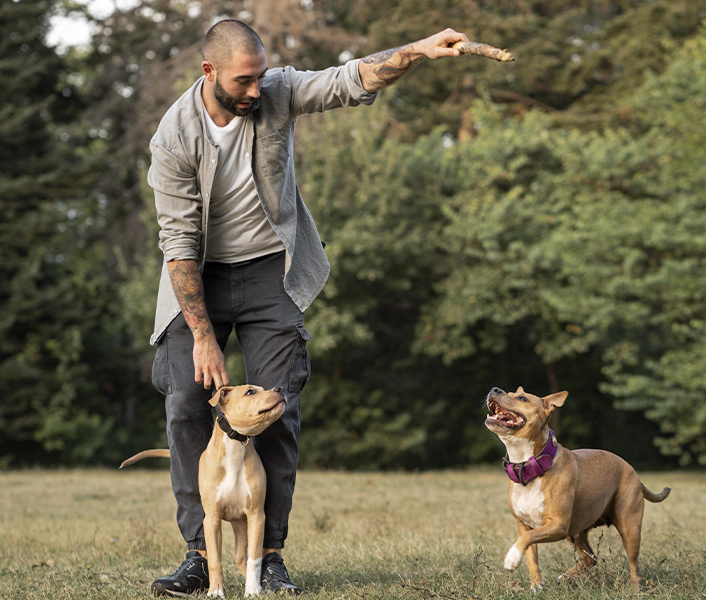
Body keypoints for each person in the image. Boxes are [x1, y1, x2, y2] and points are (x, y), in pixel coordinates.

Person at [146, 19, 469, 596]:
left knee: (278, 407)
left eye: (260, 77)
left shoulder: (276, 91)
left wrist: (420, 49)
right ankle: (199, 553)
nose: (255, 90)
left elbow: (349, 80)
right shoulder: (174, 137)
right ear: (209, 71)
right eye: (243, 81)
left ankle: (269, 556)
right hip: (199, 277)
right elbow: (178, 243)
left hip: (272, 271)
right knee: (187, 406)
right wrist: (202, 337)